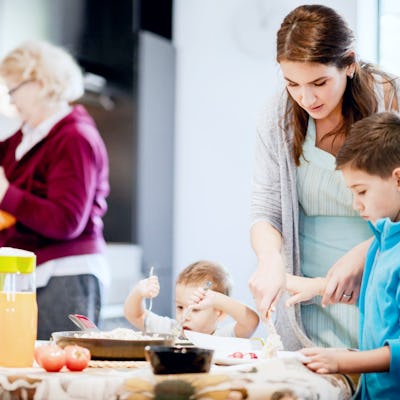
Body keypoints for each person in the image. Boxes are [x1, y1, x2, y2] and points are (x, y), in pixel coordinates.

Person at [248, 4, 400, 351]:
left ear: (349, 63)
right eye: (292, 84)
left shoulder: (391, 99)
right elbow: (265, 206)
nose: (306, 98)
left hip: (383, 287)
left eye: (319, 82)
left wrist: (367, 252)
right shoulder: (278, 116)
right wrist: (269, 259)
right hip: (310, 299)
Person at [285, 112, 400, 400]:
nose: (355, 204)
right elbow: (381, 308)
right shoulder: (381, 242)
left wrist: (341, 361)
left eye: (361, 191)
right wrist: (318, 287)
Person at [0, 40, 110, 339]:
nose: (11, 100)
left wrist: (5, 194)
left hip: (65, 274)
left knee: (58, 373)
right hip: (33, 272)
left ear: (40, 83)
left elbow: (66, 221)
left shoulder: (74, 138)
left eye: (13, 89)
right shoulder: (27, 137)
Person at [124, 260, 259, 337]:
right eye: (180, 307)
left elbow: (251, 322)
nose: (185, 316)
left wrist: (217, 300)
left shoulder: (223, 337)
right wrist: (138, 292)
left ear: (220, 313)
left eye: (195, 310)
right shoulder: (170, 330)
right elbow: (135, 315)